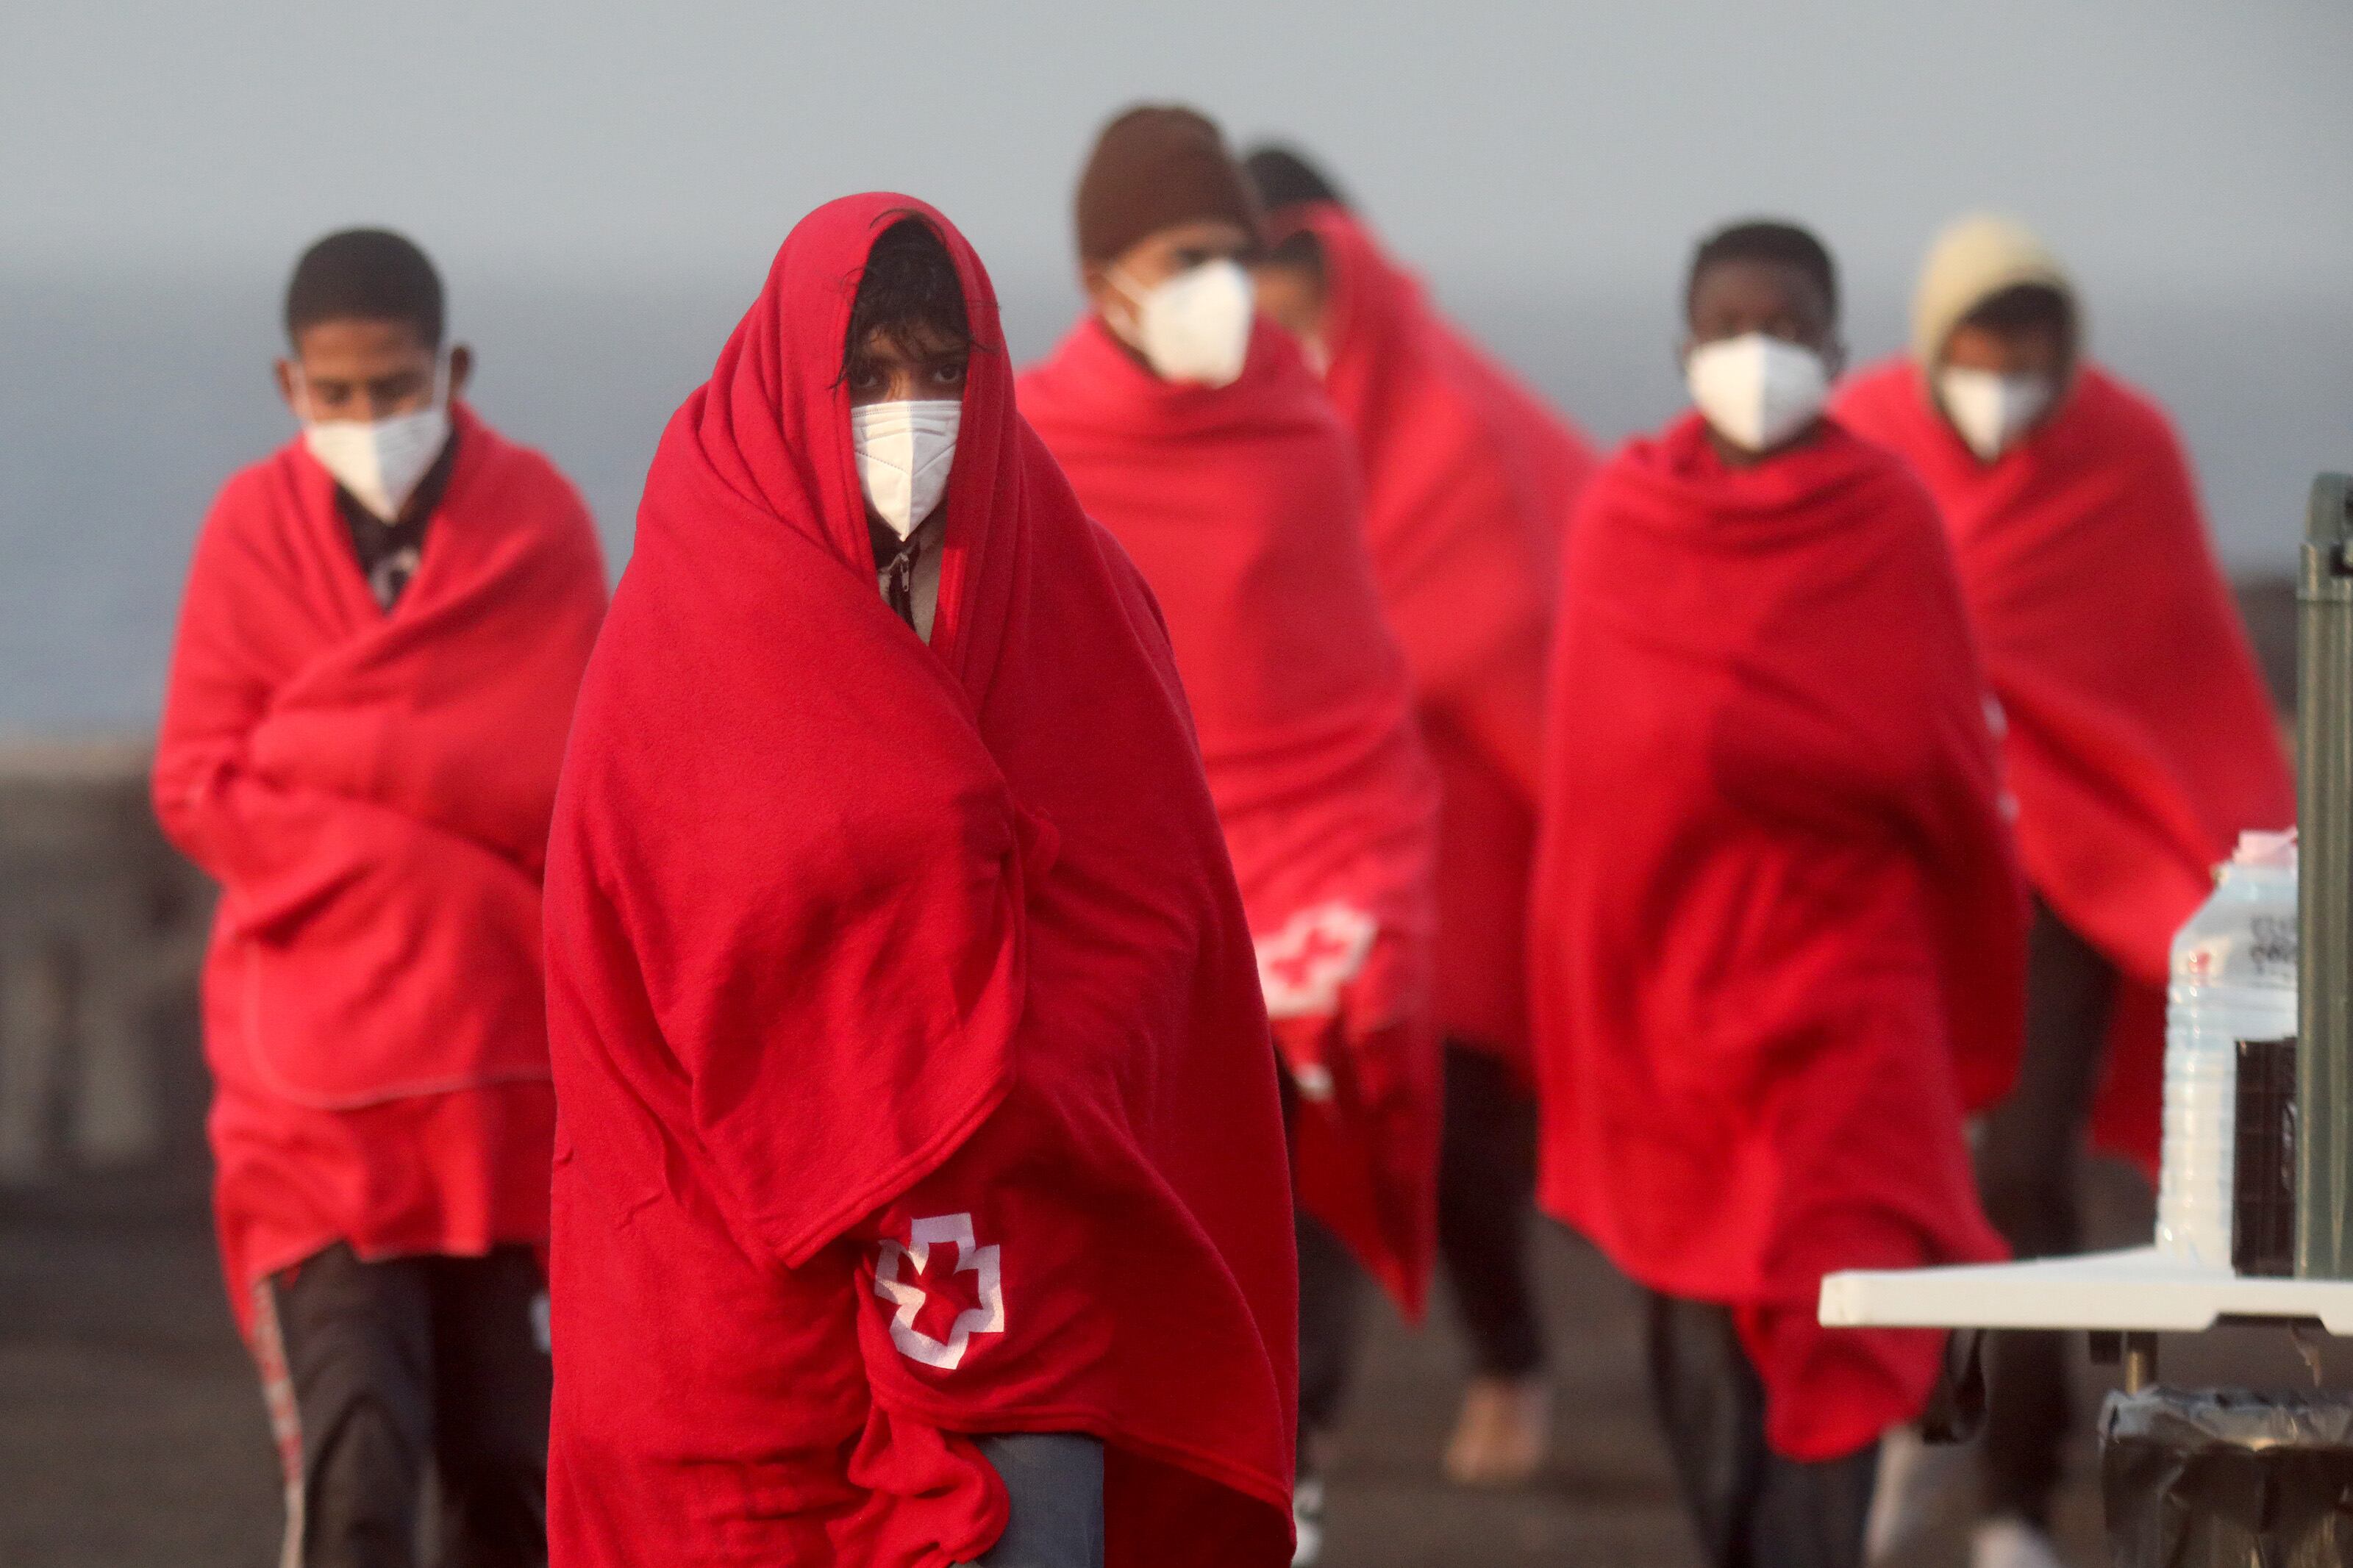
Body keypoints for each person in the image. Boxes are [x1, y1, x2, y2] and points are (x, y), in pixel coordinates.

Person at [540, 196, 1298, 1568]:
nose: (909, 409)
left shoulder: (1071, 594)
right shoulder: (697, 615)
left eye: (940, 372)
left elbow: (1153, 900)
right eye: (872, 376)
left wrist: (1005, 1091)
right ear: (797, 378)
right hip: (736, 1263)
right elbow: (661, 933)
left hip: (1016, 1249)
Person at [1529, 219, 2027, 1568]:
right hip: (1674, 1021)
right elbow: (1594, 794)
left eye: (1791, 328)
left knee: (1835, 1339)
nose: (1763, 355)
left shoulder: (1889, 516)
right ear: (1687, 350)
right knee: (1702, 1384)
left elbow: (1935, 766)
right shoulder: (1625, 519)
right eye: (1735, 328)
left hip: (1847, 1014)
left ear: (1841, 349)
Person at [1833, 215, 2295, 1568]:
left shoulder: (2127, 451)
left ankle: (2014, 1504)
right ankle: (1894, 1431)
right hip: (1899, 867)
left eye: (2033, 353)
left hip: (2068, 871)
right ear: (1930, 353)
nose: (2007, 377)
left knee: (2028, 1178)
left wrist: (2233, 864)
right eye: (1980, 353)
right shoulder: (1866, 440)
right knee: (1878, 1175)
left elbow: (2177, 666)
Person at [1018, 107, 1440, 1564]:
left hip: (1304, 875)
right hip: (1123, 881)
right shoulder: (1034, 443)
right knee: (1143, 1192)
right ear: (1103, 276)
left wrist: (1372, 868)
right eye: (1183, 255)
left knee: (1283, 1166)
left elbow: (1352, 683)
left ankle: (1292, 1454)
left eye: (1236, 255)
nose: (1221, 284)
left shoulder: (1299, 430)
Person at [152, 229, 608, 1568]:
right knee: (356, 1481)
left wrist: (330, 768)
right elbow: (198, 784)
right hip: (319, 1101)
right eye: (338, 396)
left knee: (515, 1490)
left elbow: (568, 775)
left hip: (509, 1086)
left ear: (452, 370)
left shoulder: (540, 522)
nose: (368, 420)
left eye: (395, 390)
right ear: (290, 386)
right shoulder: (250, 530)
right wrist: (437, 858)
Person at [1243, 142, 1599, 1490]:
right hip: (1301, 839)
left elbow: (1511, 615)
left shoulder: (1449, 421)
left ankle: (1511, 1359)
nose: (1279, 307)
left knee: (1457, 1141)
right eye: (1256, 274)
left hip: (1463, 852)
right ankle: (1303, 1417)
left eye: (1299, 272)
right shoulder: (1242, 422)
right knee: (1302, 1115)